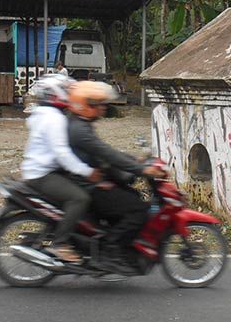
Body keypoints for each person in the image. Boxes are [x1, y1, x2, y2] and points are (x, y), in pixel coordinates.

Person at [65, 81, 165, 269]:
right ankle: (110, 250)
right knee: (138, 209)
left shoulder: (79, 124)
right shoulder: (79, 131)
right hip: (87, 185)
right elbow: (106, 153)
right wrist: (141, 169)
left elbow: (106, 152)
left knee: (132, 195)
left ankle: (118, 242)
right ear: (86, 105)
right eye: (99, 104)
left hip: (91, 179)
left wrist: (135, 161)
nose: (103, 109)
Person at [20, 74, 100, 264]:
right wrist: (86, 171)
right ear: (55, 93)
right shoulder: (54, 119)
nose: (69, 95)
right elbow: (62, 154)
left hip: (40, 170)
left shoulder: (43, 114)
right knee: (79, 198)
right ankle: (60, 243)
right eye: (66, 91)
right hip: (42, 175)